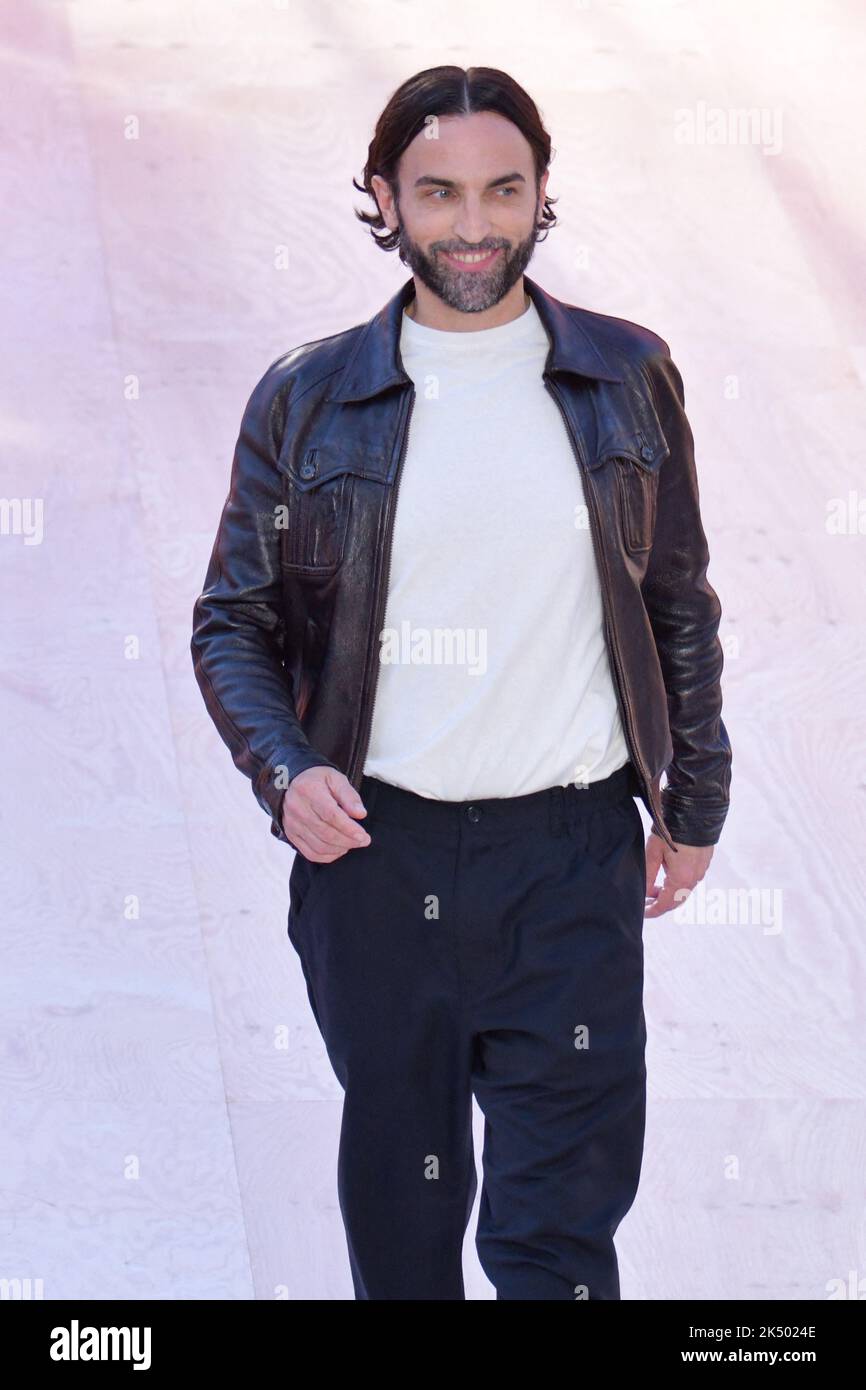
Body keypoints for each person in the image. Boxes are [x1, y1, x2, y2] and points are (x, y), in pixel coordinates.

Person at [191, 65, 732, 1300]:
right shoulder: (309, 396)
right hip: (375, 863)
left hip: (570, 857)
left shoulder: (626, 375)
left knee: (558, 1233)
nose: (472, 224)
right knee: (406, 1224)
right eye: (437, 192)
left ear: (541, 197)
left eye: (503, 190)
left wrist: (691, 801)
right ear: (384, 198)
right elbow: (232, 619)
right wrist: (286, 773)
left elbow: (677, 603)